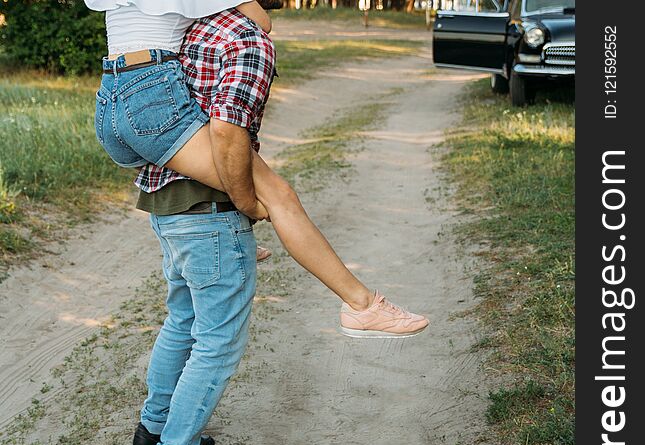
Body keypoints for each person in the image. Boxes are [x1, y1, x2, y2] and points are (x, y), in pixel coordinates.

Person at [87, 0, 429, 339]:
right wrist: (248, 203)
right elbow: (262, 20)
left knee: (231, 171)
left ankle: (237, 243)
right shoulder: (240, 31)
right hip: (151, 99)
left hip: (111, 98)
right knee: (275, 195)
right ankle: (362, 305)